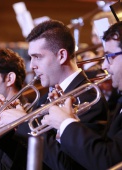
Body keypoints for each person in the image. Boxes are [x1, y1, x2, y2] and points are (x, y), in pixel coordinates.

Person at [0, 19, 109, 170]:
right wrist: (6, 133)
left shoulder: (90, 98)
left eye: (38, 57)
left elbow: (66, 165)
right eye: (31, 57)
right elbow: (33, 158)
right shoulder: (47, 95)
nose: (32, 65)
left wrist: (24, 124)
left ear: (61, 56)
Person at [41, 21, 122, 170]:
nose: (104, 66)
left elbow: (108, 161)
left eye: (109, 56)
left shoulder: (90, 97)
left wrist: (66, 123)